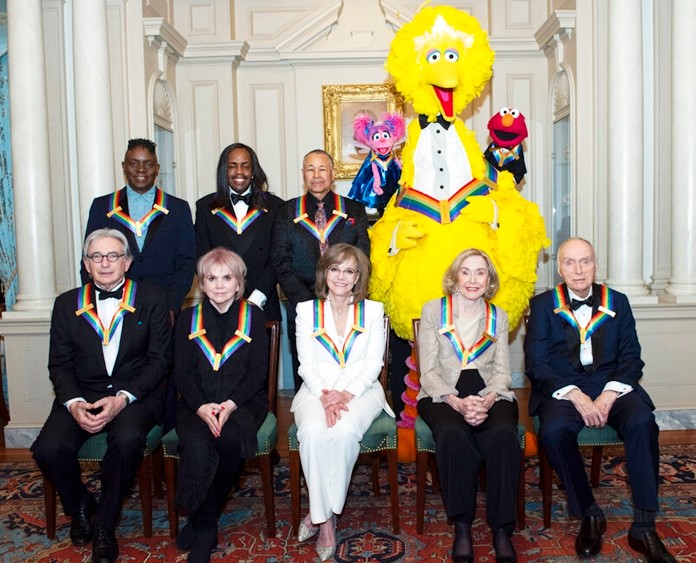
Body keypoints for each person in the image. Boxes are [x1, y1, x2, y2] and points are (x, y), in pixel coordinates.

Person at [524, 237, 676, 563]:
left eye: (585, 261)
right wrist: (576, 396)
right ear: (559, 269)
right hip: (565, 388)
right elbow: (537, 365)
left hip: (612, 386)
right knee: (553, 431)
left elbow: (632, 358)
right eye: (570, 262)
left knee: (642, 421)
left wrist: (609, 394)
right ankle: (590, 512)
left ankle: (644, 525)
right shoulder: (542, 306)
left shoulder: (617, 302)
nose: (579, 270)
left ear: (595, 264)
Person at [32, 228, 171, 563]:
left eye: (113, 256)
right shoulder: (67, 304)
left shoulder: (151, 298)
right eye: (97, 257)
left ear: (127, 262)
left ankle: (104, 525)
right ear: (86, 264)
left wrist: (123, 398)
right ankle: (81, 504)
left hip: (135, 396)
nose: (105, 263)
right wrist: (75, 403)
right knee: (46, 449)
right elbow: (59, 365)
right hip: (83, 394)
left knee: (125, 441)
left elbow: (160, 361)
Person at [291, 243, 394, 561]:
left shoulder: (373, 311)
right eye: (335, 268)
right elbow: (306, 364)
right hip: (315, 390)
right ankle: (325, 519)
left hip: (361, 392)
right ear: (324, 272)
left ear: (358, 277)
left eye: (349, 270)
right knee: (312, 432)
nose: (340, 276)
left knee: (344, 432)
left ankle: (320, 516)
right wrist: (326, 394)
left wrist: (345, 393)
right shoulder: (305, 311)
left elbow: (373, 363)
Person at [417, 248, 520, 563]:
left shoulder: (498, 316)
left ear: (489, 280)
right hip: (442, 392)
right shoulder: (434, 310)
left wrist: (487, 399)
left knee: (502, 434)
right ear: (454, 276)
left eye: (481, 272)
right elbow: (428, 371)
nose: (473, 279)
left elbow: (503, 372)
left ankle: (502, 528)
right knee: (452, 434)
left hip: (490, 390)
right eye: (466, 271)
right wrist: (458, 403)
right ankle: (461, 525)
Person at [172, 247, 268, 563]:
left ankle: (201, 517)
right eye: (211, 278)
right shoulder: (188, 318)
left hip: (243, 402)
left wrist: (229, 404)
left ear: (239, 283)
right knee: (197, 441)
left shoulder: (254, 317)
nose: (219, 284)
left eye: (227, 277)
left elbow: (257, 373)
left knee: (229, 439)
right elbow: (182, 373)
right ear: (201, 283)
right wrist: (201, 406)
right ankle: (205, 525)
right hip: (195, 405)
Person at [273, 149, 370, 389]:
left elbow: (362, 257)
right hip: (302, 304)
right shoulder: (286, 211)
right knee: (306, 370)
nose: (316, 175)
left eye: (322, 169)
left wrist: (343, 297)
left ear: (333, 173)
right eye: (310, 169)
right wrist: (308, 303)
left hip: (346, 305)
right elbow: (280, 261)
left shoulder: (354, 210)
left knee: (347, 367)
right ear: (303, 174)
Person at [82, 138, 196, 323]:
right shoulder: (102, 206)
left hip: (163, 307)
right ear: (123, 167)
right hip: (114, 306)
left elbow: (186, 263)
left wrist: (172, 306)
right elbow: (88, 259)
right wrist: (94, 305)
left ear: (157, 168)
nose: (141, 170)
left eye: (148, 164)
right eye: (133, 163)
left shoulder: (178, 208)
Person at [195, 143, 284, 322]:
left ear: (253, 171)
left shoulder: (276, 206)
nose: (239, 171)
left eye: (245, 165)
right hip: (219, 304)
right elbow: (201, 256)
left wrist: (257, 297)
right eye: (232, 166)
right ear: (224, 171)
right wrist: (222, 294)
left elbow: (279, 258)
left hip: (263, 304)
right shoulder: (205, 207)